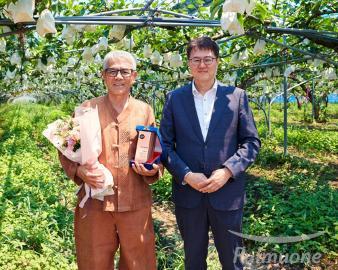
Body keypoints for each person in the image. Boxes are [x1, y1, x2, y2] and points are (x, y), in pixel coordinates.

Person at [160, 36, 261, 270]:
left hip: (227, 194)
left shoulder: (236, 97)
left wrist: (227, 171)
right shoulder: (175, 98)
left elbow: (251, 141)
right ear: (188, 63)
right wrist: (186, 174)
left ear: (217, 62)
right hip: (189, 195)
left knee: (232, 261)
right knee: (193, 260)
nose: (202, 65)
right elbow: (164, 144)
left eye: (208, 59)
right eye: (196, 59)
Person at [58, 50, 162, 270]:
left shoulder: (144, 111)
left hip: (135, 202)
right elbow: (65, 148)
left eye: (125, 71)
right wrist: (79, 171)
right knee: (93, 261)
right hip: (95, 203)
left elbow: (155, 151)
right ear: (103, 76)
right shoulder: (87, 108)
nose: (119, 77)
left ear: (134, 76)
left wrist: (152, 169)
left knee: (138, 262)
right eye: (112, 71)